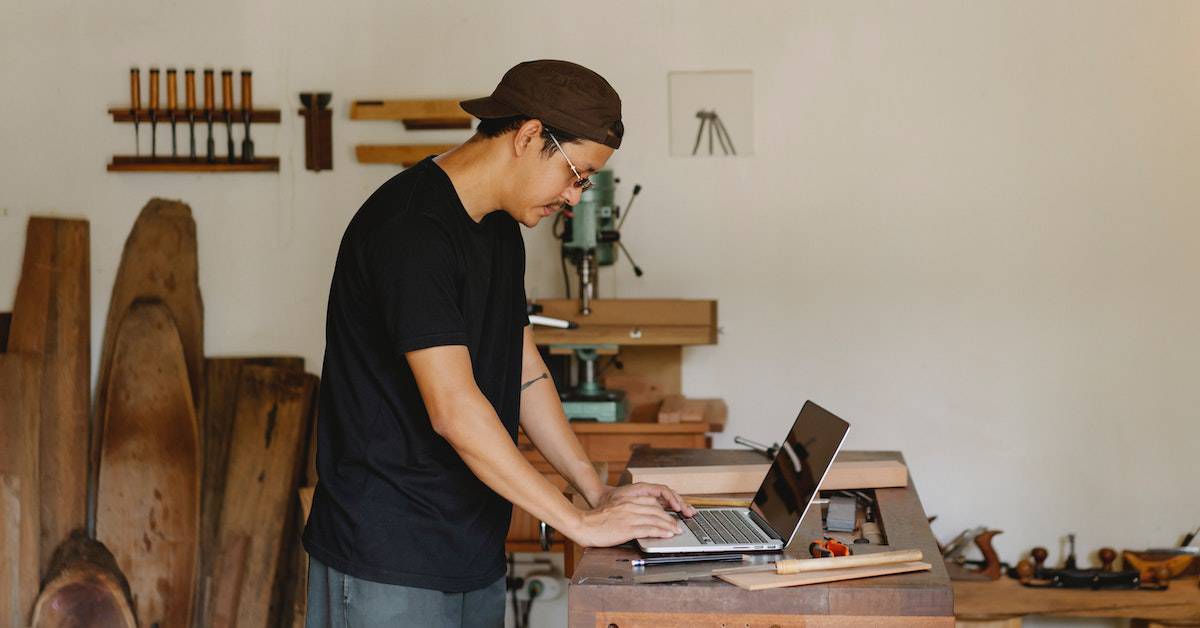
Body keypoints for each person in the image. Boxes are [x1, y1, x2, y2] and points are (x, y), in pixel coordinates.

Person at [302, 59, 696, 627]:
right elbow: (454, 411)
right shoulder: (411, 230)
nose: (575, 197)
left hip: (470, 547)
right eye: (576, 174)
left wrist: (593, 490)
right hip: (388, 559)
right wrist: (577, 524)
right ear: (530, 136)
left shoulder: (500, 229)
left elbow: (522, 368)